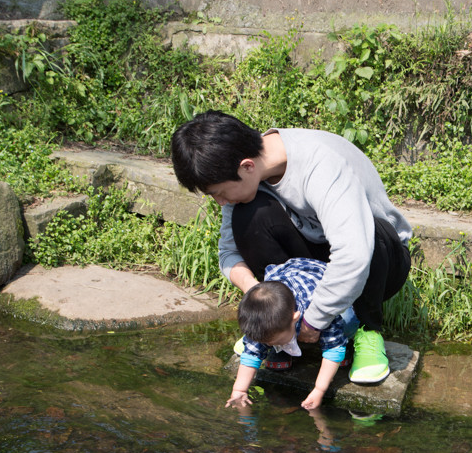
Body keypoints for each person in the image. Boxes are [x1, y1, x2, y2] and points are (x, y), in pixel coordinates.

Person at [170, 110, 412, 384]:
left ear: (247, 166)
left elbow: (354, 255)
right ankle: (282, 334)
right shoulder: (240, 175)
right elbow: (228, 253)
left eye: (219, 193)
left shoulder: (321, 165)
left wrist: (314, 320)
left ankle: (369, 331)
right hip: (313, 264)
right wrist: (265, 303)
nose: (220, 202)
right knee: (250, 215)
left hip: (381, 260)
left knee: (371, 232)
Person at [226, 257, 358, 410]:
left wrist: (319, 390)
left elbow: (333, 350)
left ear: (295, 319)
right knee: (268, 339)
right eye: (269, 344)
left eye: (276, 342)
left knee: (347, 323)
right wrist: (239, 390)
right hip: (289, 279)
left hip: (332, 294)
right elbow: (251, 353)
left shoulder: (319, 307)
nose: (269, 345)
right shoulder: (264, 313)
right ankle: (285, 347)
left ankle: (347, 342)